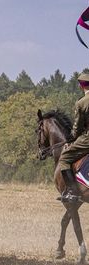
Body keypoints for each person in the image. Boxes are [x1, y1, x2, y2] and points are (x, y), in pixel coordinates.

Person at [56, 72, 89, 203]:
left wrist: (71, 138)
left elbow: (78, 127)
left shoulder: (81, 103)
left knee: (64, 158)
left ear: (81, 86)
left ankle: (72, 192)